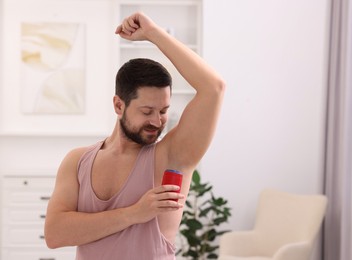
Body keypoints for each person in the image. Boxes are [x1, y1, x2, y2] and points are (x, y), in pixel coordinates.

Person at [44, 12, 225, 260]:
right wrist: (134, 213)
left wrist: (153, 33)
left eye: (163, 111)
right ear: (119, 105)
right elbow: (55, 234)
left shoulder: (171, 156)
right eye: (147, 111)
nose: (157, 121)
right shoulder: (77, 161)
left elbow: (213, 88)